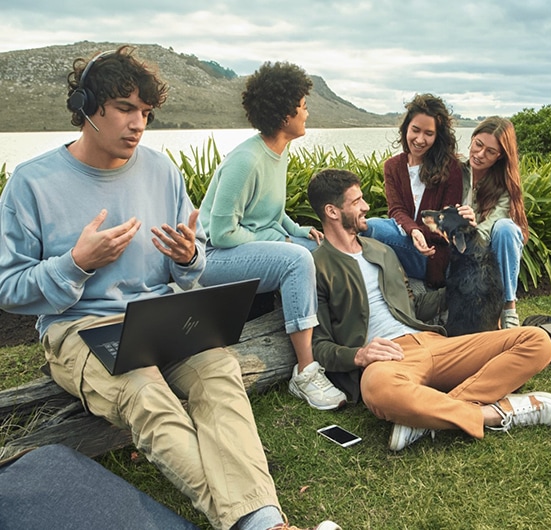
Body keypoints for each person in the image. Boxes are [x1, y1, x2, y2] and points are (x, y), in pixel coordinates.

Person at [0, 46, 339, 530]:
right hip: (81, 325)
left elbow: (193, 264)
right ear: (84, 106)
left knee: (220, 377)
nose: (138, 123)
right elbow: (9, 288)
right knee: (146, 394)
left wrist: (187, 258)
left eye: (146, 112)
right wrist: (74, 265)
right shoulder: (32, 184)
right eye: (124, 108)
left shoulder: (161, 171)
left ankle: (260, 523)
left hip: (162, 316)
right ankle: (261, 523)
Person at [306, 168, 551, 451]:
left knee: (537, 341)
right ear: (332, 211)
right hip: (388, 360)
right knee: (378, 392)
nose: (366, 207)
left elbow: (413, 306)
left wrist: (464, 286)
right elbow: (318, 345)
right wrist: (359, 355)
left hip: (436, 343)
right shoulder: (316, 266)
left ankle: (425, 417)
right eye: (357, 201)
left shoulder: (381, 251)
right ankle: (496, 412)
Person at [198, 61, 346, 411]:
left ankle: (337, 342)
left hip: (248, 246)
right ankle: (306, 372)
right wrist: (280, 244)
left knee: (331, 247)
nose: (307, 110)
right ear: (284, 115)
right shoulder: (246, 161)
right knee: (295, 259)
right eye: (302, 104)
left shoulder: (278, 151)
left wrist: (294, 230)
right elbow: (220, 233)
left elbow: (270, 211)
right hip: (210, 258)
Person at [362, 93, 463, 288]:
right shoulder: (393, 166)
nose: (420, 139)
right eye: (415, 130)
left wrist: (421, 234)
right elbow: (396, 210)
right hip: (405, 235)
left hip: (431, 252)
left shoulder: (451, 168)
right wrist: (413, 231)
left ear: (438, 135)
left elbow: (448, 221)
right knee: (365, 225)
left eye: (429, 133)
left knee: (371, 228)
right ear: (406, 128)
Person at [459, 116, 529, 329]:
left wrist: (471, 232)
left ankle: (509, 308)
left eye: (490, 151)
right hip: (457, 248)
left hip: (488, 246)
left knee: (506, 228)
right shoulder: (456, 171)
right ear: (472, 139)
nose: (480, 154)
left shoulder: (504, 185)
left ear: (500, 156)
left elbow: (491, 226)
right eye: (478, 145)